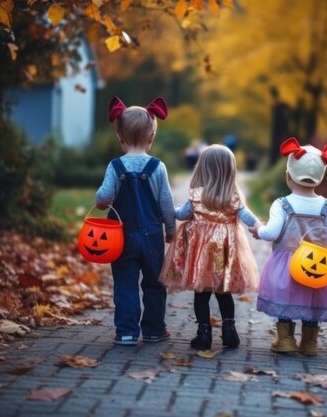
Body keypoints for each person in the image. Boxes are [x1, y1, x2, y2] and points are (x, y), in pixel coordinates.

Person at [248, 137, 327, 356]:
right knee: (312, 304)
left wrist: (258, 230)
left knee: (286, 300)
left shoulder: (282, 204)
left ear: (288, 176)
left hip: (288, 264)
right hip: (317, 264)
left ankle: (285, 339)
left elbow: (271, 233)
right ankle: (310, 343)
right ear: (319, 179)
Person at [160, 144, 260, 350]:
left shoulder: (197, 195)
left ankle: (203, 333)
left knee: (201, 294)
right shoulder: (233, 197)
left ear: (202, 169)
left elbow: (181, 215)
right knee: (223, 291)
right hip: (224, 252)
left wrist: (171, 207)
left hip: (200, 255)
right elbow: (247, 217)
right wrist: (260, 227)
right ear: (230, 170)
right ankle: (229, 331)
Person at [96, 96, 176, 346]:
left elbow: (105, 196)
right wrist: (171, 229)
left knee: (125, 283)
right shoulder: (158, 167)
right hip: (152, 235)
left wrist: (100, 201)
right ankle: (153, 330)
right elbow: (166, 204)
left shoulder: (115, 166)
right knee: (154, 284)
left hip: (122, 237)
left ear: (119, 137)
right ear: (151, 137)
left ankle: (127, 331)